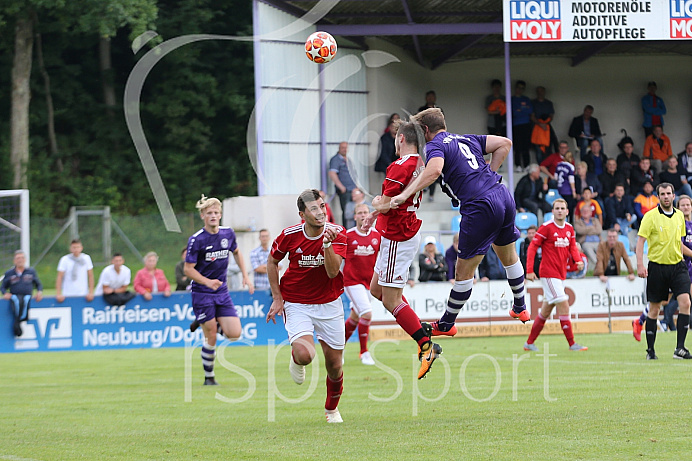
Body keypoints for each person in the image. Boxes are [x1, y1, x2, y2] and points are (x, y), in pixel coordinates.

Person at [392, 108, 530, 336]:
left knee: (463, 272)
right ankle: (520, 306)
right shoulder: (466, 139)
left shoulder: (436, 145)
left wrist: (406, 193)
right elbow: (505, 143)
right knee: (509, 256)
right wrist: (488, 173)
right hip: (502, 195)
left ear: (426, 130)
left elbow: (434, 170)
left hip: (480, 206)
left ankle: (446, 324)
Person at [360, 120, 442, 379]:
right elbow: (393, 203)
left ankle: (425, 346)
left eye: (396, 137)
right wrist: (377, 214)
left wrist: (375, 204)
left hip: (398, 236)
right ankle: (420, 329)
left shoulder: (399, 165)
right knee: (376, 290)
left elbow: (385, 203)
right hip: (401, 229)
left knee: (392, 299)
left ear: (401, 139)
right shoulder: (420, 164)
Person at [265, 189, 348, 423]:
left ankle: (331, 410)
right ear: (302, 214)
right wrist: (277, 297)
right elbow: (272, 261)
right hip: (297, 302)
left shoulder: (337, 233)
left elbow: (333, 272)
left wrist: (327, 246)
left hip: (330, 303)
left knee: (334, 365)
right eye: (314, 208)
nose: (320, 212)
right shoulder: (289, 235)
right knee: (305, 354)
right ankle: (296, 357)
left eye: (322, 206)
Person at [186, 195, 254, 385]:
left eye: (216, 213)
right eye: (209, 213)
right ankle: (209, 377)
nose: (213, 216)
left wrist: (245, 276)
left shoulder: (228, 233)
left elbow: (237, 252)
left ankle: (208, 322)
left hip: (222, 292)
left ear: (221, 214)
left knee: (235, 334)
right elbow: (187, 269)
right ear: (202, 216)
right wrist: (207, 282)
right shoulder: (196, 240)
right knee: (211, 336)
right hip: (202, 293)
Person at [635, 183, 692, 359]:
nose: (666, 196)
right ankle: (650, 351)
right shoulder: (650, 216)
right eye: (662, 194)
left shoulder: (680, 216)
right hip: (657, 267)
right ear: (658, 197)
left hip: (677, 266)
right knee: (654, 309)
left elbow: (679, 243)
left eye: (668, 193)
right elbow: (640, 242)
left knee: (686, 303)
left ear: (673, 196)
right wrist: (640, 265)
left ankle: (680, 348)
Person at [524, 199, 588, 352]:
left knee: (546, 311)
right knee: (564, 305)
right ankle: (572, 344)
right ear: (552, 211)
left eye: (562, 208)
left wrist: (578, 260)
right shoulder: (546, 228)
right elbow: (533, 247)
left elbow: (573, 247)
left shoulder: (569, 229)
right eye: (557, 208)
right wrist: (529, 270)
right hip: (548, 274)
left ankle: (529, 343)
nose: (560, 211)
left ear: (567, 211)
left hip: (560, 275)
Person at [343, 203, 381, 366]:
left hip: (369, 283)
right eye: (360, 213)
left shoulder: (377, 235)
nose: (363, 215)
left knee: (355, 317)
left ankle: (337, 348)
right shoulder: (348, 236)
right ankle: (364, 352)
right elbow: (338, 258)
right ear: (355, 216)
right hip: (352, 282)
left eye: (366, 212)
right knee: (367, 314)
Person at [1, 250, 42, 337]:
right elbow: (3, 287)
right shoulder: (9, 273)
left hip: (27, 297)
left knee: (25, 302)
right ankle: (17, 326)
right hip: (15, 297)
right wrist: (5, 293)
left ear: (25, 260)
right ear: (14, 260)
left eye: (22, 258)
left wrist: (39, 292)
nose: (20, 260)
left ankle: (18, 323)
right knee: (16, 302)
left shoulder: (31, 271)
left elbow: (38, 284)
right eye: (18, 258)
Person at [328, 141, 357, 226]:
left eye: (346, 148)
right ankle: (347, 231)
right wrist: (341, 187)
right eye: (343, 148)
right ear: (339, 148)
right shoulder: (336, 159)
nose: (345, 150)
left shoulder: (348, 159)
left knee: (355, 210)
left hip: (353, 190)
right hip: (345, 190)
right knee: (347, 211)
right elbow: (332, 173)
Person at [530, 85, 558, 162]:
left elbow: (551, 116)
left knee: (549, 146)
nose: (540, 93)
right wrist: (540, 124)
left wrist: (545, 123)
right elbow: (532, 116)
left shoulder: (549, 103)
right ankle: (540, 165)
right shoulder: (533, 103)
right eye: (539, 91)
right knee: (538, 148)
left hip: (547, 127)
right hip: (536, 127)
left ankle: (547, 165)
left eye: (542, 91)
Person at [511, 80, 533, 172]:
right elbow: (515, 112)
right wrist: (523, 109)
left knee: (526, 145)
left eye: (522, 88)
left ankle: (527, 165)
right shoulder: (512, 99)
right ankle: (518, 165)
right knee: (517, 145)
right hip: (516, 125)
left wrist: (521, 110)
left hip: (526, 124)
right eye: (518, 88)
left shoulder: (526, 99)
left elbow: (530, 111)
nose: (520, 90)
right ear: (515, 88)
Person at [574, 204, 602, 270]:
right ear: (581, 213)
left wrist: (586, 229)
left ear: (591, 213)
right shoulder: (578, 222)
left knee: (603, 248)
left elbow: (599, 230)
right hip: (586, 242)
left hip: (598, 242)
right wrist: (592, 228)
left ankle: (604, 264)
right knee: (588, 248)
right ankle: (598, 265)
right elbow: (580, 231)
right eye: (583, 211)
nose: (585, 212)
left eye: (587, 211)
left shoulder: (595, 220)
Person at [555, 151, 577, 215]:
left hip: (559, 188)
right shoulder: (570, 167)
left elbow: (555, 177)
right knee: (569, 206)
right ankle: (569, 221)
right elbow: (571, 180)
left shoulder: (558, 165)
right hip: (567, 190)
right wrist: (574, 191)